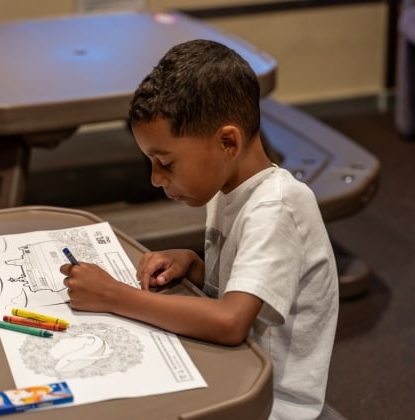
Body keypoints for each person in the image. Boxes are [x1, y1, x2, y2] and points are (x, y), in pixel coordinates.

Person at [60, 39, 339, 420]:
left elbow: (231, 322)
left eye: (166, 163)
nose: (156, 180)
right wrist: (194, 265)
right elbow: (257, 288)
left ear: (227, 142)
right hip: (234, 373)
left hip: (269, 405)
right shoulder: (229, 186)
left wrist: (113, 295)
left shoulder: (275, 207)